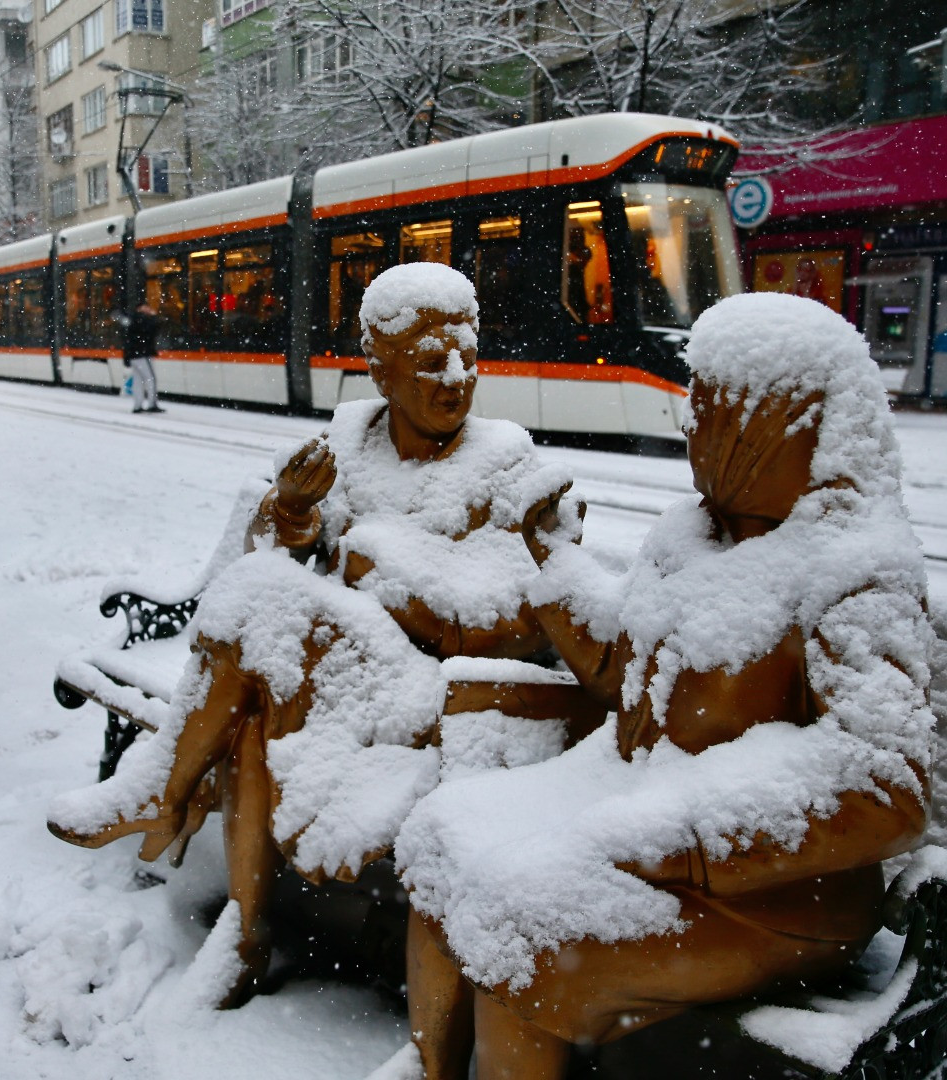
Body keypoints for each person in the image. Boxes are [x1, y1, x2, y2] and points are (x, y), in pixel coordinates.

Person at [394, 292, 935, 1079]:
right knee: (442, 834)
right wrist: (550, 555)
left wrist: (673, 837)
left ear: (786, 419)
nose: (690, 427)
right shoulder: (690, 532)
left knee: (532, 933)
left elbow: (885, 781)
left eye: (712, 408)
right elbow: (625, 671)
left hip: (773, 896)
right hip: (623, 810)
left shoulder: (857, 571)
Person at [49, 263, 570, 1007]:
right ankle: (245, 923)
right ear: (381, 371)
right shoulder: (352, 440)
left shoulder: (504, 463)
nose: (456, 377)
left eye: (468, 357)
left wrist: (394, 581)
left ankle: (170, 803)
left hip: (438, 702)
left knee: (261, 631)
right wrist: (293, 508)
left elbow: (521, 624)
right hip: (340, 683)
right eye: (429, 362)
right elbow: (293, 550)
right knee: (259, 706)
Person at [122, 300, 162, 413]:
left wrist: (127, 356)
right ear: (140, 309)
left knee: (138, 381)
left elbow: (128, 340)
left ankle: (137, 405)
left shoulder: (132, 320)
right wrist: (154, 317)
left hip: (134, 355)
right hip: (142, 354)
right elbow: (154, 328)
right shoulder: (142, 319)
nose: (148, 309)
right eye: (146, 307)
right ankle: (152, 404)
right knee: (150, 378)